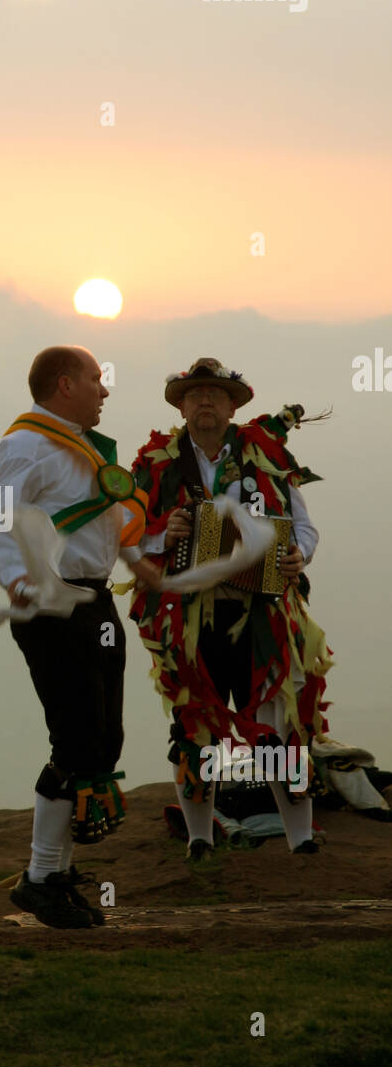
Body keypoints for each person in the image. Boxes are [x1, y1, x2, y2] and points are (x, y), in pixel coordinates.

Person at [0, 346, 156, 929]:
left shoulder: (81, 450)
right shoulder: (23, 447)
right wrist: (31, 590)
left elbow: (100, 530)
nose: (104, 391)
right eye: (95, 380)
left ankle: (56, 873)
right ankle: (40, 879)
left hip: (96, 599)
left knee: (104, 740)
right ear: (64, 384)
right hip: (55, 603)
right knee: (77, 735)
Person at [129, 357, 332, 860]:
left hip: (263, 608)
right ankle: (200, 839)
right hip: (189, 616)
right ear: (179, 404)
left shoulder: (266, 456)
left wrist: (295, 556)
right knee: (195, 724)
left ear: (233, 405)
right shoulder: (154, 466)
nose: (204, 401)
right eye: (194, 393)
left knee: (282, 721)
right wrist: (163, 534)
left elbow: (302, 526)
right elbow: (126, 533)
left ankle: (301, 839)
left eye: (215, 394)